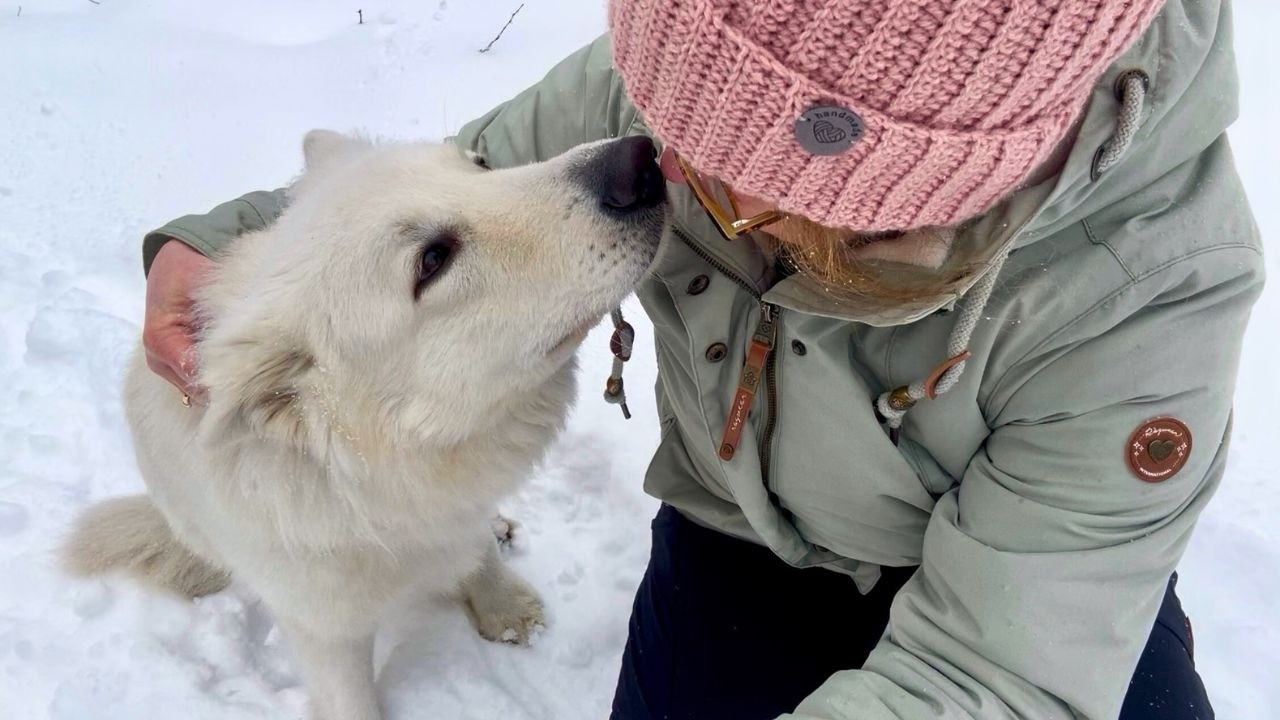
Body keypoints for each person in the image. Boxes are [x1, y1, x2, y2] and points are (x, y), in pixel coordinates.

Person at [139, 0, 1263, 718]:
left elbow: (996, 673)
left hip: (1010, 596)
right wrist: (211, 249)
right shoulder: (700, 68)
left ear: (926, 191)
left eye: (744, 183)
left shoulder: (1149, 282)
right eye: (675, 138)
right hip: (739, 543)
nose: (660, 173)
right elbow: (455, 183)